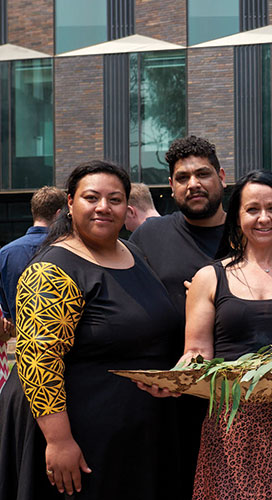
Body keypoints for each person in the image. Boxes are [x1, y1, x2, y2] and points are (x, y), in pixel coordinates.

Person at [0, 160, 181, 499]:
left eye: (115, 199)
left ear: (127, 206)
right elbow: (38, 360)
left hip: (130, 433)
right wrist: (59, 441)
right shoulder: (52, 270)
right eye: (92, 197)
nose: (103, 207)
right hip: (77, 435)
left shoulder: (133, 252)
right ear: (70, 203)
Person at [174, 170, 272, 499]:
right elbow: (196, 352)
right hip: (230, 422)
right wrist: (174, 378)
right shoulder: (209, 277)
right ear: (237, 216)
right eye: (252, 209)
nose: (263, 218)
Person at [129, 135, 227, 498]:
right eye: (183, 178)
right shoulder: (150, 235)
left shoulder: (249, 232)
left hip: (235, 397)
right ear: (171, 185)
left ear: (221, 176)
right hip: (167, 397)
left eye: (203, 174)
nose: (193, 184)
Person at [0, 186, 65, 392]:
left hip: (25, 356)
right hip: (66, 355)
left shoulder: (5, 253)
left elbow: (7, 315)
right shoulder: (69, 249)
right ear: (59, 214)